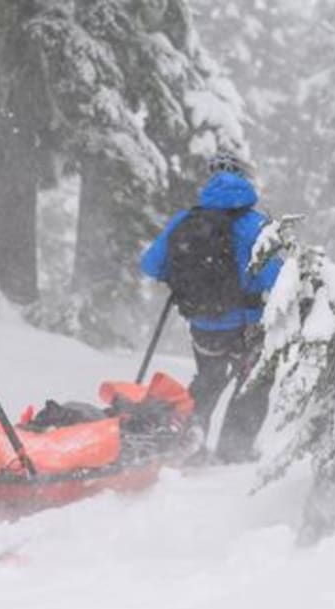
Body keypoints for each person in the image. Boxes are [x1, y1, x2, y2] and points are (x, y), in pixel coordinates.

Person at [139, 151, 281, 463]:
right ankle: (235, 451)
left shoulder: (185, 221)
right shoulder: (256, 225)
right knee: (252, 387)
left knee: (207, 382)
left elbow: (150, 265)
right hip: (248, 326)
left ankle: (190, 446)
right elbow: (278, 275)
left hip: (204, 327)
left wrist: (180, 276)